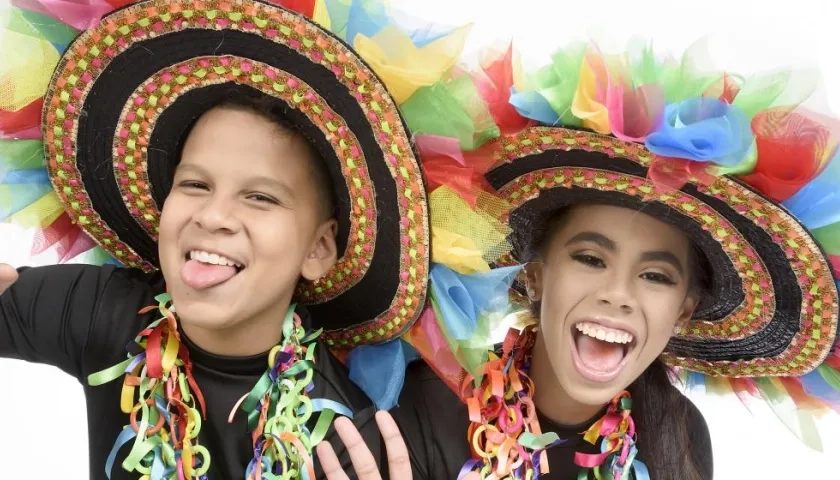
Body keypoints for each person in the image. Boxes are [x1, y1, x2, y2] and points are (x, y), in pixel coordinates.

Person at [0, 0, 477, 478]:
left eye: (260, 197)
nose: (214, 215)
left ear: (318, 249)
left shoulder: (345, 440)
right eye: (195, 185)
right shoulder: (102, 312)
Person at [389, 39, 840, 479]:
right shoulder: (431, 401)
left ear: (683, 309)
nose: (618, 295)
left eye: (655, 275)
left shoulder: (679, 435)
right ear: (536, 277)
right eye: (590, 258)